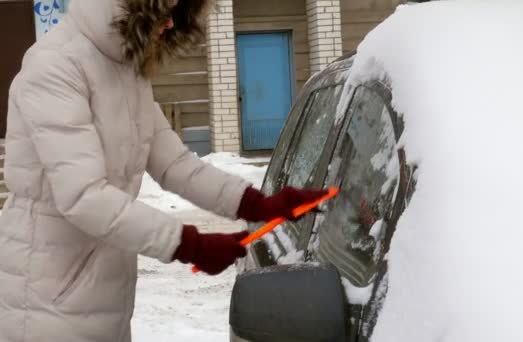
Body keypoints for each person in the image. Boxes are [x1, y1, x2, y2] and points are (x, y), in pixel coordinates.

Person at [0, 0, 326, 341]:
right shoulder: (55, 67)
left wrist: (257, 205)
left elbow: (176, 165)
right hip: (43, 303)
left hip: (102, 299)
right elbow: (84, 197)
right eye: (164, 8)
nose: (170, 23)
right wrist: (189, 244)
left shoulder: (128, 73)